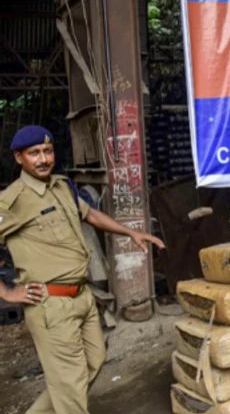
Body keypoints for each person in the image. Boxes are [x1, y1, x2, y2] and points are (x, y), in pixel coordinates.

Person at [0, 125, 165, 414]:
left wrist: (131, 233)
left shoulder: (62, 186)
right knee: (71, 388)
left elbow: (90, 215)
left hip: (82, 295)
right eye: (34, 153)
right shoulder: (12, 200)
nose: (43, 159)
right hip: (50, 305)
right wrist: (8, 292)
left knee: (93, 361)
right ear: (19, 158)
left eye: (48, 151)